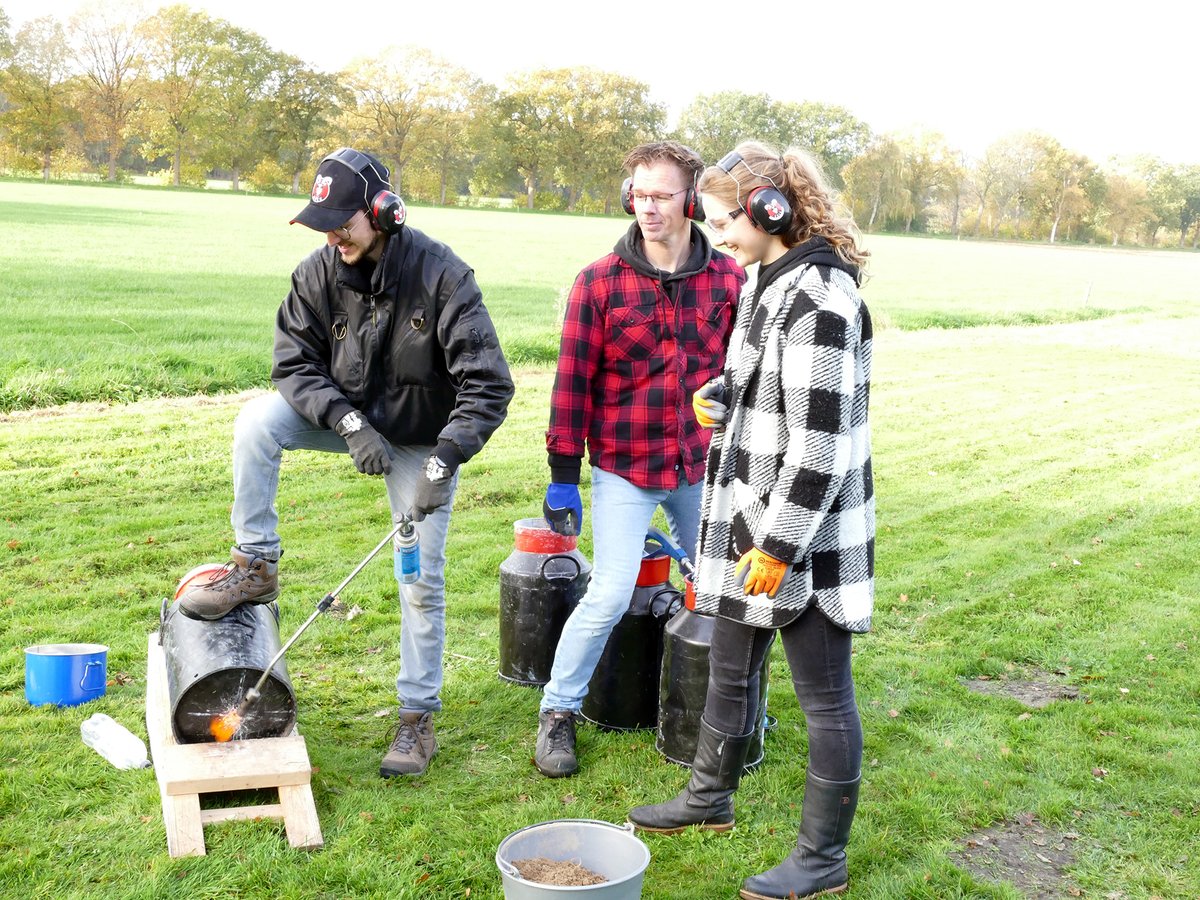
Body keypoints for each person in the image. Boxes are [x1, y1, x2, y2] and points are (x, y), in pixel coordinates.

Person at [179, 147, 514, 778]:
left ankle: (416, 716)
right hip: (348, 421)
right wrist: (348, 422)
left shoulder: (444, 276)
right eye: (323, 225)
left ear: (384, 212)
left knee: (420, 580)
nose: (333, 237)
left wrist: (444, 460)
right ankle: (255, 565)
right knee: (257, 422)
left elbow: (488, 385)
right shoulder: (316, 273)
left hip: (420, 440)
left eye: (342, 223)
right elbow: (292, 365)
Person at [627, 141, 874, 900]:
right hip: (747, 526)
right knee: (729, 667)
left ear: (769, 211)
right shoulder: (769, 280)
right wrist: (724, 396)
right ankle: (709, 798)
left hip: (803, 542)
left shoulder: (821, 301)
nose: (719, 236)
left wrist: (779, 545)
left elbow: (822, 446)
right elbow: (767, 384)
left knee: (825, 698)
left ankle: (823, 859)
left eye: (724, 221)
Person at [535, 141, 745, 777]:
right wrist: (563, 476)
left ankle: (726, 709)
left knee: (723, 589)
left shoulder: (730, 279)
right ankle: (558, 711)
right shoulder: (598, 282)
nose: (647, 207)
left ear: (691, 200)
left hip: (702, 464)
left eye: (661, 195)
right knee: (608, 592)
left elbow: (750, 368)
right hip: (625, 465)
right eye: (639, 194)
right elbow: (572, 382)